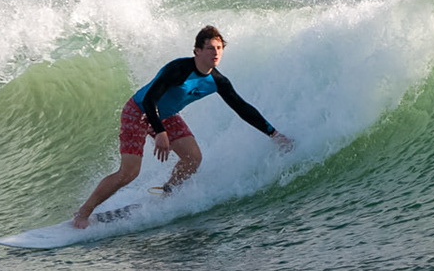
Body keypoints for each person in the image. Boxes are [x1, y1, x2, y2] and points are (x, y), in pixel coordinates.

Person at [72, 25, 293, 228]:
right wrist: (160, 132)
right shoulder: (178, 69)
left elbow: (242, 108)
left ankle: (167, 193)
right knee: (129, 173)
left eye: (219, 48)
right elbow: (150, 100)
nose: (215, 53)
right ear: (197, 50)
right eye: (209, 48)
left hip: (166, 115)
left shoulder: (218, 81)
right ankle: (84, 212)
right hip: (139, 111)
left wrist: (273, 133)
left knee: (193, 158)